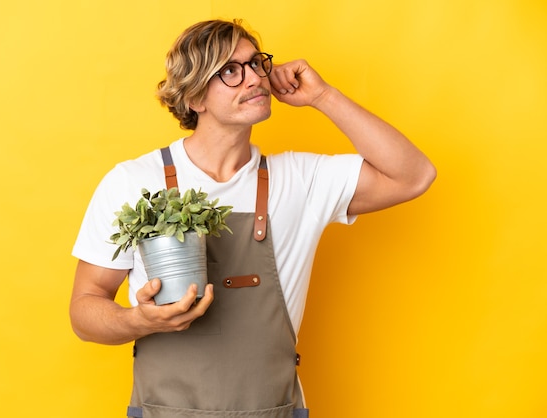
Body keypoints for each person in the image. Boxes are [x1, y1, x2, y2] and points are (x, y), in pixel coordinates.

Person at [70, 19, 436, 418]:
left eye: (256, 63)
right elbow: (85, 311)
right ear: (194, 97)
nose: (255, 78)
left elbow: (414, 175)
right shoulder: (133, 181)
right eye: (230, 70)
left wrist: (324, 97)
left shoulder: (301, 179)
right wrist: (138, 320)